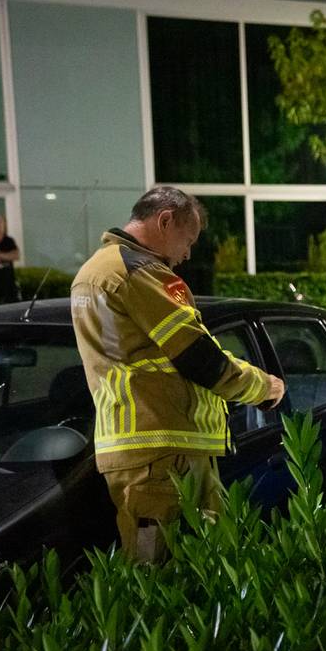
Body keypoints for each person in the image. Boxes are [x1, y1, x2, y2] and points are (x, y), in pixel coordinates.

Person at [71, 186, 286, 562]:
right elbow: (198, 356)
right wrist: (262, 387)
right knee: (162, 572)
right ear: (165, 220)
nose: (186, 255)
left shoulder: (98, 270)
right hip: (161, 452)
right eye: (188, 241)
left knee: (161, 567)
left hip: (147, 448)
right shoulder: (138, 272)